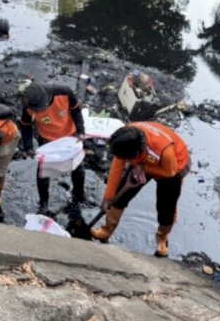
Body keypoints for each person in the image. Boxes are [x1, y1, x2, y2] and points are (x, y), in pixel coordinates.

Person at [91, 122, 190, 257]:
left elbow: (169, 172)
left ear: (137, 153)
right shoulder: (126, 138)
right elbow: (116, 168)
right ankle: (106, 231)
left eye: (127, 159)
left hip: (173, 166)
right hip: (143, 162)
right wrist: (108, 197)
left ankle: (162, 238)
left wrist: (144, 168)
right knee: (120, 197)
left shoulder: (163, 150)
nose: (124, 161)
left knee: (166, 208)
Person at [20, 82, 86, 216]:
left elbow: (76, 111)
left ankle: (79, 195)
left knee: (78, 168)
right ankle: (43, 203)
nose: (39, 111)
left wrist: (81, 131)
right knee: (43, 172)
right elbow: (26, 125)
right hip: (47, 141)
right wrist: (29, 147)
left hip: (70, 137)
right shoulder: (29, 105)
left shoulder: (64, 92)